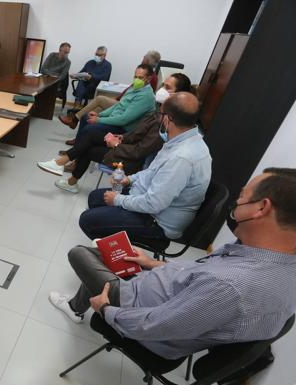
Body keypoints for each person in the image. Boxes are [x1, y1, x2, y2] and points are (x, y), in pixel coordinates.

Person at [49, 167, 296, 363]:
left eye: (242, 197)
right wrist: (152, 263)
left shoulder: (230, 286)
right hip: (158, 295)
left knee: (80, 253)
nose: (237, 202)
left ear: (261, 208)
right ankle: (76, 305)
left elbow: (156, 327)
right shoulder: (268, 260)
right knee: (108, 253)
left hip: (138, 311)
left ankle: (78, 306)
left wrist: (106, 310)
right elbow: (196, 276)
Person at [78, 92, 211, 241]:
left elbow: (153, 204)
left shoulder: (182, 157)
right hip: (146, 198)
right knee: (95, 198)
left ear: (168, 119)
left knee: (87, 220)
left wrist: (118, 200)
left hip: (157, 222)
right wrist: (129, 179)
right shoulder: (183, 140)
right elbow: (152, 171)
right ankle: (108, 238)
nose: (158, 117)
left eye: (160, 113)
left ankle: (115, 254)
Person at [38, 74, 193, 194]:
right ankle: (63, 168)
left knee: (89, 146)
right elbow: (137, 134)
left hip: (131, 159)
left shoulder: (167, 121)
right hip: (126, 146)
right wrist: (121, 137)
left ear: (179, 95)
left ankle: (64, 171)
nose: (162, 90)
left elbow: (141, 151)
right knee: (90, 135)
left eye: (168, 88)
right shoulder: (158, 111)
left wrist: (117, 144)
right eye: (163, 85)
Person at [59, 50, 161, 130]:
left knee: (99, 101)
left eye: (144, 57)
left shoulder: (150, 78)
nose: (142, 58)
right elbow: (131, 90)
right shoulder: (90, 62)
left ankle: (75, 120)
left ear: (147, 60)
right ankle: (78, 131)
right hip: (121, 99)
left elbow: (134, 97)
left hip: (123, 104)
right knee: (93, 111)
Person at [67, 64, 156, 146]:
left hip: (123, 128)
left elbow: (123, 120)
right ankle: (76, 148)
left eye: (140, 78)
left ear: (148, 79)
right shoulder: (135, 87)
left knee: (89, 129)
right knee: (85, 117)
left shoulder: (145, 96)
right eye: (135, 77)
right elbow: (118, 105)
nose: (136, 80)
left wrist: (99, 120)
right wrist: (99, 115)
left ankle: (75, 154)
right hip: (116, 119)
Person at [69, 46, 112, 110]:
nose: (97, 56)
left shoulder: (107, 65)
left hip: (96, 86)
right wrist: (75, 75)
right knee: (82, 82)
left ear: (104, 55)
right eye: (96, 54)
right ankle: (77, 107)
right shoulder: (90, 62)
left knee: (82, 83)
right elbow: (81, 72)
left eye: (99, 55)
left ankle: (76, 106)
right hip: (85, 83)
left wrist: (92, 77)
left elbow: (105, 78)